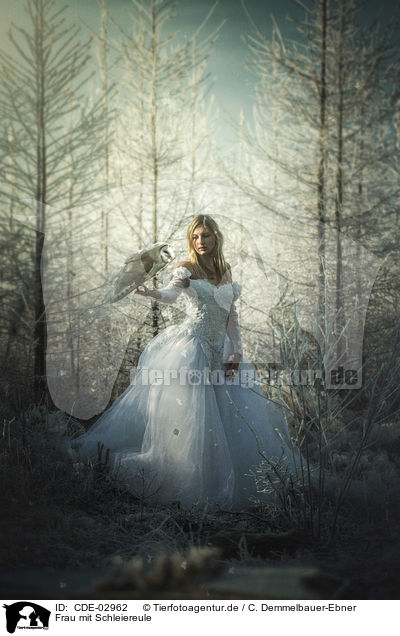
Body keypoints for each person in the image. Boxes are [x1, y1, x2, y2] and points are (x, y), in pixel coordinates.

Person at [71, 215, 310, 510]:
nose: (200, 242)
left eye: (206, 236)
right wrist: (151, 292)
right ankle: (191, 483)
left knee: (231, 417)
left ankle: (232, 481)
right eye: (196, 237)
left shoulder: (225, 270)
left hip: (222, 352)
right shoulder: (185, 268)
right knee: (194, 420)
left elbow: (231, 316)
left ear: (216, 237)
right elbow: (172, 295)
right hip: (192, 350)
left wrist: (235, 353)